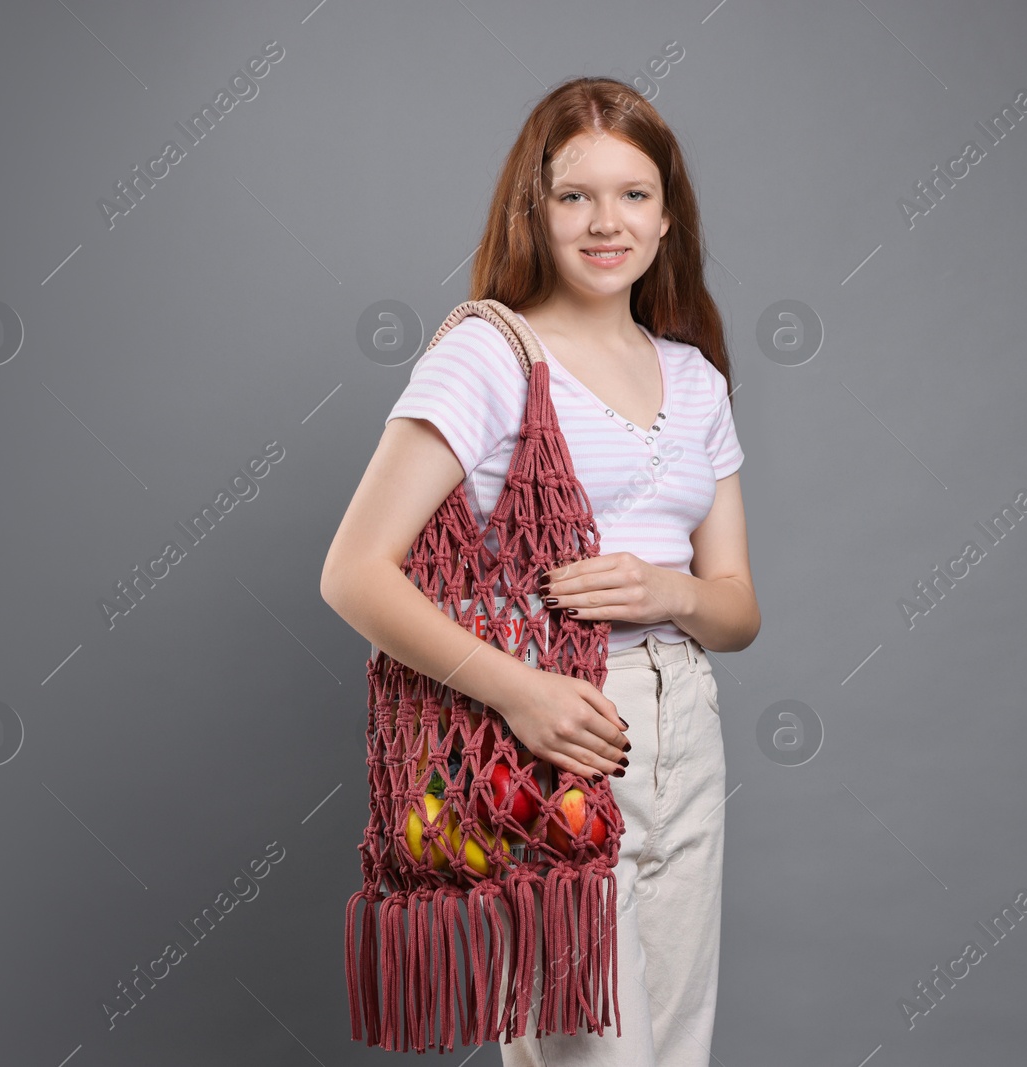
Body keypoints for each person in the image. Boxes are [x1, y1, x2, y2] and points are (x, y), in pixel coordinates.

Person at [319, 76, 758, 1067]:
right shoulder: (487, 356)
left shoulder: (695, 377)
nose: (608, 222)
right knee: (590, 1057)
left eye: (634, 194)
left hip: (684, 724)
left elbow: (735, 607)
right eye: (575, 196)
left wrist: (670, 592)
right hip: (552, 726)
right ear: (536, 208)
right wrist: (517, 692)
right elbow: (353, 571)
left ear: (667, 214)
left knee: (675, 1052)